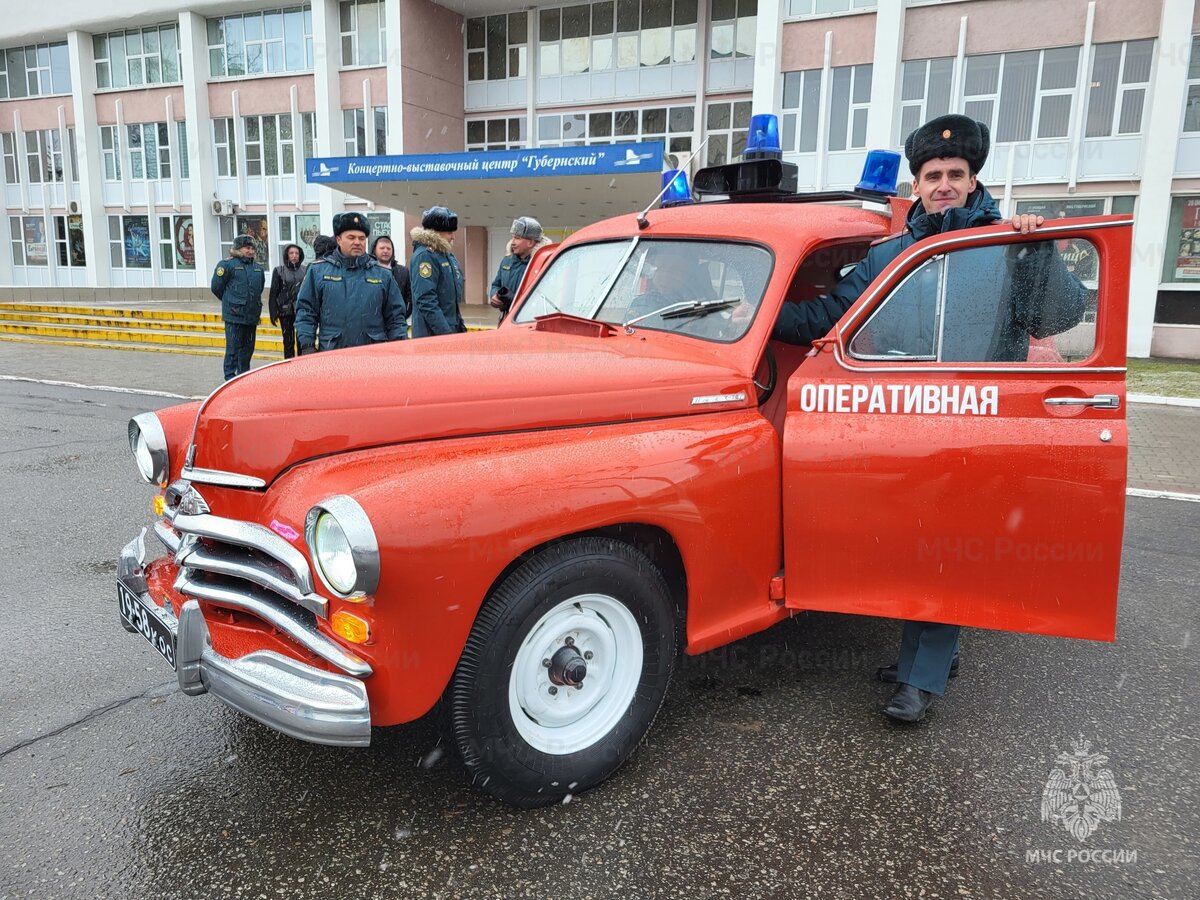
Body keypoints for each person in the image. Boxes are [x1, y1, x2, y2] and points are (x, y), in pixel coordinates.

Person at [772, 114, 1087, 723]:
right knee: (915, 543)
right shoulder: (890, 254)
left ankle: (921, 680)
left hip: (978, 419)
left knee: (947, 547)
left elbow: (1058, 317)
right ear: (916, 184)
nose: (944, 183)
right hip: (905, 420)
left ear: (973, 181)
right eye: (932, 174)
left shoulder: (1003, 243)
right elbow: (833, 317)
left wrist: (1037, 250)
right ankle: (935, 652)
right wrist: (758, 315)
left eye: (955, 174)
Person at [294, 212, 407, 354]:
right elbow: (306, 311)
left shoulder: (382, 274)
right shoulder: (318, 271)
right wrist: (307, 345)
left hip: (373, 355)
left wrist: (398, 346)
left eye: (361, 238)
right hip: (333, 354)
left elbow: (396, 316)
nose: (357, 242)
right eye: (351, 237)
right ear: (339, 240)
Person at [210, 234, 265, 380]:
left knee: (247, 350)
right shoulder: (227, 265)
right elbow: (216, 287)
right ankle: (229, 378)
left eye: (253, 248)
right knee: (232, 350)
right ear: (238, 249)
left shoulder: (258, 268)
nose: (251, 251)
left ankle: (243, 377)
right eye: (247, 248)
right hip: (234, 316)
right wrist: (230, 302)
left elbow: (259, 289)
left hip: (251, 316)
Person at [410, 206, 466, 337]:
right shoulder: (425, 256)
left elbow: (451, 302)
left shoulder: (446, 256)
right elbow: (426, 301)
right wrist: (445, 333)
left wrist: (458, 325)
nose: (453, 237)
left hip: (448, 330)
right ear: (436, 232)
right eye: (449, 232)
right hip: (432, 335)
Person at [489, 216, 550, 321]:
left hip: (529, 322)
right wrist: (494, 295)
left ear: (530, 242)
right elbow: (496, 285)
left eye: (517, 238)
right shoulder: (506, 261)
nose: (512, 242)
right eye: (512, 237)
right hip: (506, 320)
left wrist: (518, 302)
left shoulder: (543, 264)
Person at [268, 243, 306, 359]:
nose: (294, 256)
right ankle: (289, 367)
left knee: (302, 342)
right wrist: (273, 312)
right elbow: (274, 293)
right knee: (288, 343)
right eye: (291, 253)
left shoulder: (305, 270)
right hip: (285, 312)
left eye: (296, 253)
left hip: (301, 311)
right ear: (286, 255)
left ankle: (302, 367)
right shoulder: (279, 271)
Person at [371, 234, 413, 321]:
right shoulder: (368, 270)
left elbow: (410, 297)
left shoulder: (403, 271)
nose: (385, 251)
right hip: (373, 323)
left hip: (397, 321)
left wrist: (403, 314)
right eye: (382, 248)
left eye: (388, 248)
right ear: (375, 250)